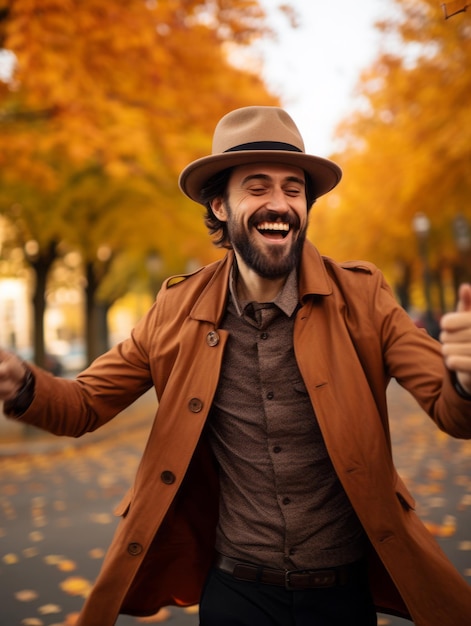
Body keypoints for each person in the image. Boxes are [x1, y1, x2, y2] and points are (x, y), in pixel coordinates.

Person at [1, 106, 471, 626]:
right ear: (220, 205)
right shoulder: (175, 310)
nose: (280, 204)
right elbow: (83, 405)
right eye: (258, 187)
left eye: (294, 190)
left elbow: (451, 410)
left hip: (342, 594)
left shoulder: (364, 296)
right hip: (236, 595)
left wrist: (466, 380)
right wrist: (21, 383)